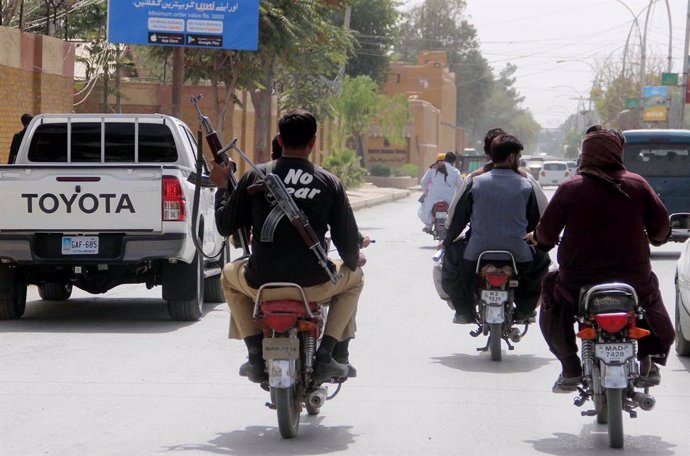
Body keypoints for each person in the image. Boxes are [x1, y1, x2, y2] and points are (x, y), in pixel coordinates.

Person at [210, 109, 365, 385]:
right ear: (313, 143)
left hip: (260, 282)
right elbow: (347, 246)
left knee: (227, 277)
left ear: (279, 141)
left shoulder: (254, 176)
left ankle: (255, 355)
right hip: (315, 284)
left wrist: (223, 186)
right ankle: (328, 353)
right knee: (354, 279)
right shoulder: (329, 182)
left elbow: (225, 226)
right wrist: (355, 259)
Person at [527, 127, 675, 393]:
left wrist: (539, 240)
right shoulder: (637, 184)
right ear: (618, 152)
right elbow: (661, 229)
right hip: (633, 278)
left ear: (586, 154)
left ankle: (570, 368)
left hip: (577, 282)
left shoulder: (570, 188)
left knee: (552, 295)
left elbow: (546, 233)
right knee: (649, 299)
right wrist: (657, 238)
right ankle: (649, 360)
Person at [442, 134, 550, 324]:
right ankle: (525, 310)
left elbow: (458, 218)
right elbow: (536, 222)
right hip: (519, 256)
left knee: (451, 260)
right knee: (542, 263)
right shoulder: (526, 184)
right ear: (511, 158)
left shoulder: (475, 182)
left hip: (475, 254)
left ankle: (464, 311)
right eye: (518, 157)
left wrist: (447, 241)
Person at [418, 152, 462, 233]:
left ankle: (428, 226)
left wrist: (425, 192)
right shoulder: (455, 171)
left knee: (425, 208)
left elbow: (423, 182)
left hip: (432, 198)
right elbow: (461, 185)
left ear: (444, 159)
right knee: (456, 211)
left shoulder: (433, 169)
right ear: (454, 161)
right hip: (450, 199)